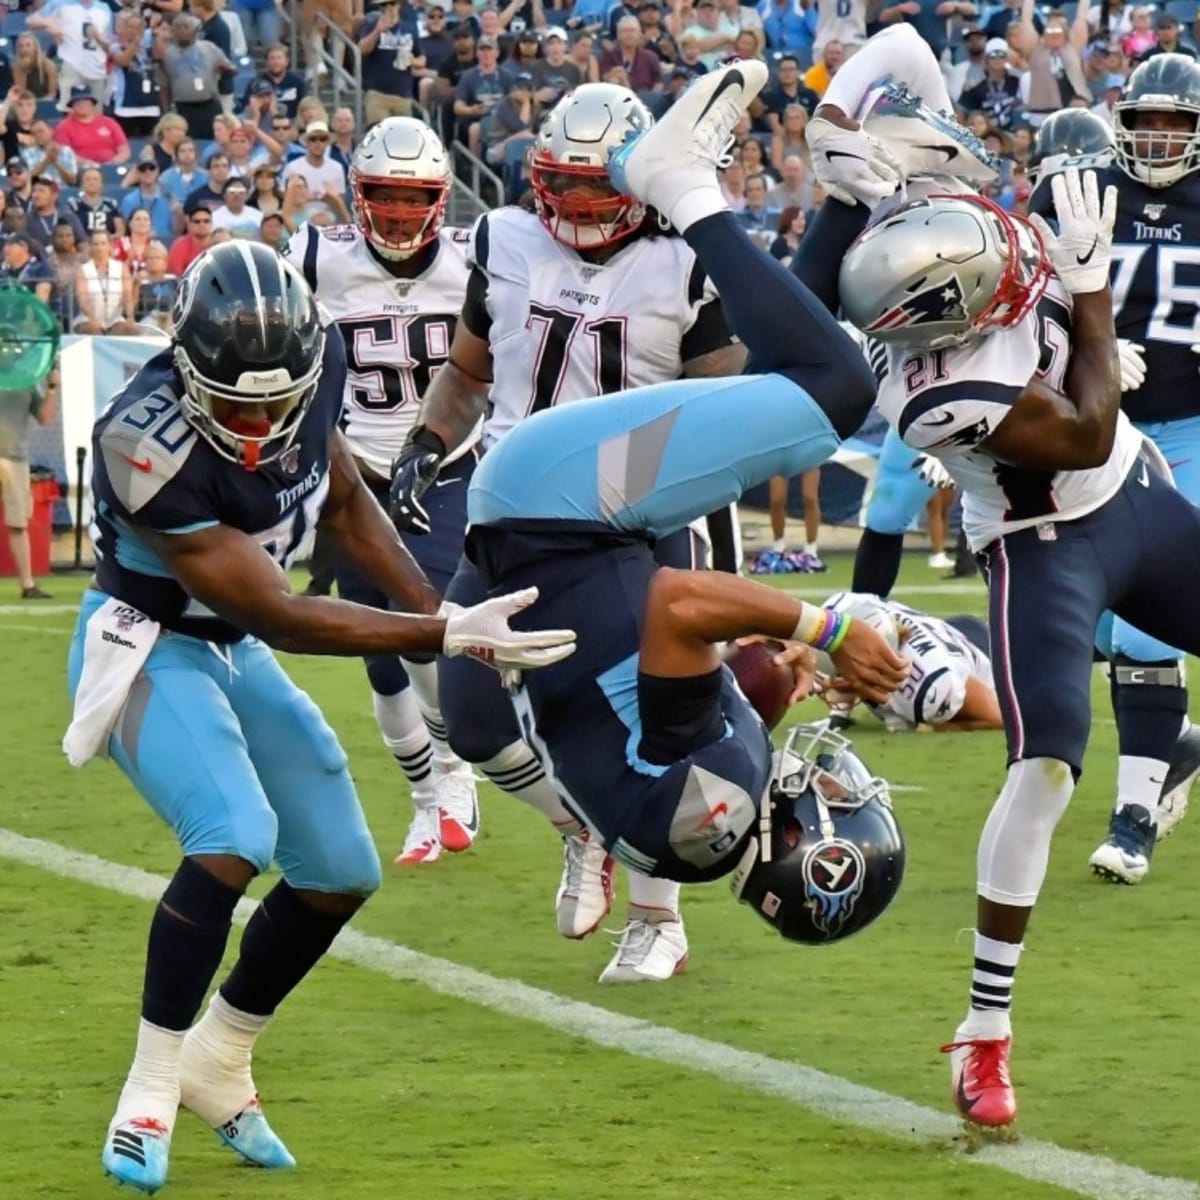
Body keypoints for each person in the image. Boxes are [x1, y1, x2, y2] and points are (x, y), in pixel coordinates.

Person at [66, 240, 575, 1195]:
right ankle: (149, 1083)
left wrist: (434, 607)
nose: (260, 423)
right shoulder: (144, 440)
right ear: (185, 368)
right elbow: (280, 613)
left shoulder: (321, 362)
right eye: (237, 404)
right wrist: (443, 634)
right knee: (234, 833)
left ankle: (221, 1056)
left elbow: (342, 497)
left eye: (275, 401)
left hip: (233, 645)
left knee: (341, 870)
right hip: (150, 638)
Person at [824, 26, 1200, 1132]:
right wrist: (1087, 296)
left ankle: (1167, 762)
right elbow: (1081, 434)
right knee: (1044, 768)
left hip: (1139, 498)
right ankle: (984, 1031)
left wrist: (849, 129)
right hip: (1048, 542)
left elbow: (899, 47)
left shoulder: (944, 239)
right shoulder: (935, 395)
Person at [463, 63, 909, 954]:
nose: (841, 787)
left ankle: (685, 182)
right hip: (544, 528)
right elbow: (687, 677)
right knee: (793, 387)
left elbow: (678, 608)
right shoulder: (695, 830)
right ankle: (847, 203)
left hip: (564, 497)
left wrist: (824, 627)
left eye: (839, 809)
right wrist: (783, 654)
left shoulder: (717, 798)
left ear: (802, 847)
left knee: (834, 390)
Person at [390, 82, 749, 983]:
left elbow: (728, 405)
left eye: (598, 188)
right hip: (514, 512)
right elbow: (467, 376)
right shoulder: (504, 239)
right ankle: (581, 825)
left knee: (647, 730)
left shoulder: (686, 261)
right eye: (564, 184)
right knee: (468, 717)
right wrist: (426, 443)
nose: (580, 207)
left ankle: (658, 917)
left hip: (634, 516)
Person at [284, 117, 482, 865]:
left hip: (446, 462)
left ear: (440, 198)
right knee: (378, 654)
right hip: (354, 472)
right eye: (383, 197)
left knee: (422, 614)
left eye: (414, 198)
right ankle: (426, 802)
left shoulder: (477, 259)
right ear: (355, 195)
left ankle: (457, 770)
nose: (399, 214)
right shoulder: (312, 256)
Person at [1046, 61, 1200, 884]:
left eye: (1177, 125)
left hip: (1191, 431)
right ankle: (1170, 747)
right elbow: (1023, 300)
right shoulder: (1079, 190)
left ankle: (1132, 820)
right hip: (1099, 432)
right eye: (1148, 121)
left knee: (1144, 625)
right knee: (1100, 624)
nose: (1161, 138)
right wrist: (1088, 346)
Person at [815, 593, 1001, 732]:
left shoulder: (927, 686)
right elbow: (847, 635)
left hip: (987, 652)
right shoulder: (840, 607)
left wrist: (934, 726)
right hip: (952, 629)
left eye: (843, 670)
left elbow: (995, 717)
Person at [0, 361, 57, 599]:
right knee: (18, 524)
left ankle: (28, 584)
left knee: (19, 523)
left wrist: (53, 388)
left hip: (15, 457)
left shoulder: (25, 378)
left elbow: (44, 417)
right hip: (12, 457)